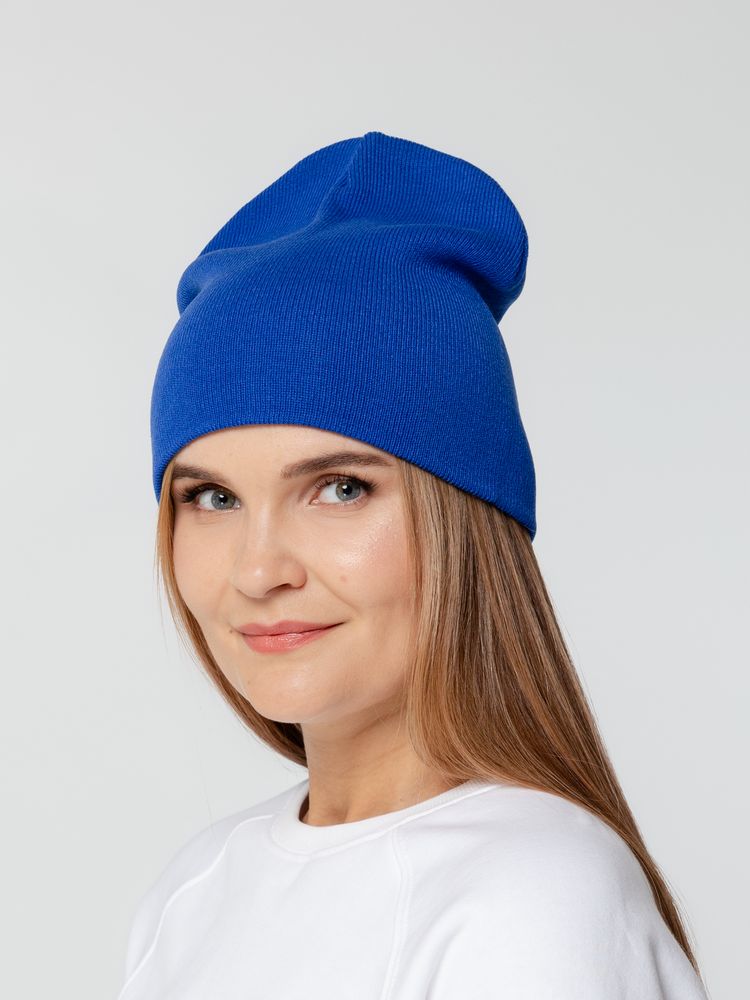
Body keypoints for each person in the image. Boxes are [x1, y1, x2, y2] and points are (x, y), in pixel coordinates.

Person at [117, 131, 710, 999]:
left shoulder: (532, 896)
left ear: (463, 520)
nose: (258, 570)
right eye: (212, 497)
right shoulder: (195, 891)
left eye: (340, 489)